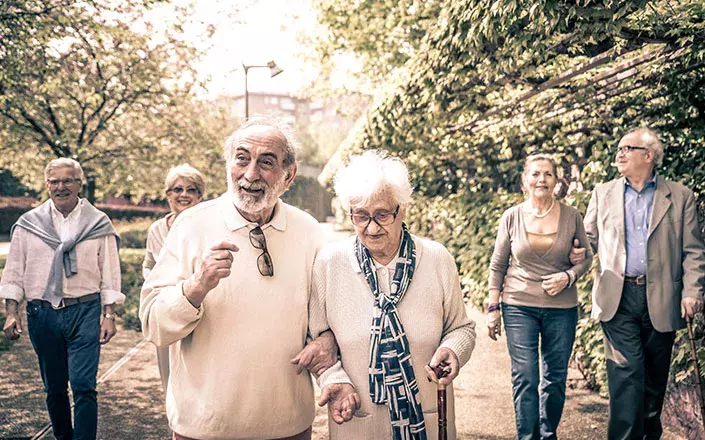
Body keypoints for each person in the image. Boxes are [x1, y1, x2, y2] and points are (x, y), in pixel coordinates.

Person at [139, 117, 350, 440]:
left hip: (287, 425)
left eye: (266, 162)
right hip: (205, 426)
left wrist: (328, 340)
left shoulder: (308, 231)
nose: (251, 174)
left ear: (289, 175)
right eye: (242, 158)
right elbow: (153, 324)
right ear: (229, 164)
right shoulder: (190, 225)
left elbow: (331, 315)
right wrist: (195, 288)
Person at [307, 150, 477, 440]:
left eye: (382, 215)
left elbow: (462, 328)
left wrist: (454, 350)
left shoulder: (437, 259)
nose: (371, 227)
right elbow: (315, 338)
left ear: (403, 209)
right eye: (361, 216)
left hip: (427, 419)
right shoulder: (330, 263)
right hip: (358, 424)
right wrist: (334, 379)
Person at [584, 127, 705, 439]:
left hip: (662, 298)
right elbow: (587, 242)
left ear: (649, 155)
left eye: (628, 148)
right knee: (626, 376)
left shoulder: (680, 197)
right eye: (620, 148)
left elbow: (693, 250)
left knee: (652, 385)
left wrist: (692, 291)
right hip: (618, 297)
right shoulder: (603, 193)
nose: (620, 154)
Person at [1, 158, 123, 440]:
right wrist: (11, 313)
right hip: (42, 313)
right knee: (54, 387)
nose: (61, 187)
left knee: (83, 385)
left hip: (85, 311)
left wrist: (110, 315)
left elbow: (110, 272)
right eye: (54, 181)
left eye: (68, 180)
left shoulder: (98, 223)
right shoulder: (28, 225)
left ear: (79, 184)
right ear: (46, 185)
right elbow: (14, 272)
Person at [488, 153, 593, 440]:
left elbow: (587, 258)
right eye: (535, 174)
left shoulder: (572, 216)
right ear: (525, 180)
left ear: (557, 180)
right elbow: (498, 264)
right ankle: (527, 436)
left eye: (547, 174)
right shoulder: (511, 217)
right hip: (518, 304)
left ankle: (548, 433)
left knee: (555, 379)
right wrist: (492, 307)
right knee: (525, 376)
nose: (541, 179)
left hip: (562, 308)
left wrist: (568, 276)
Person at [142, 163, 205, 393]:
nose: (184, 195)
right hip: (166, 307)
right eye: (177, 189)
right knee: (168, 377)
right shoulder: (157, 229)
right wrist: (158, 284)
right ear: (168, 194)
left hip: (197, 306)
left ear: (200, 195)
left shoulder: (206, 226)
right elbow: (148, 265)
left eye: (191, 190)